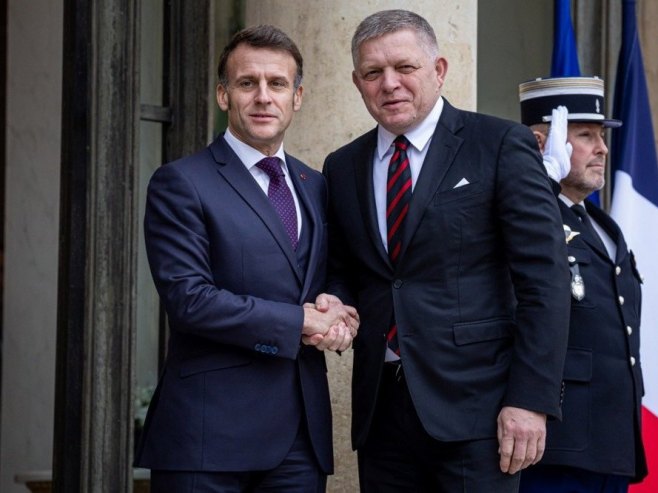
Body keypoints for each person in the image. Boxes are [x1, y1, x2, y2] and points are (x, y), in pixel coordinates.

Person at [322, 9, 571, 492]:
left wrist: (530, 400)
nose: (389, 84)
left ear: (438, 70)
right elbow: (345, 271)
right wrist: (336, 302)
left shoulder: (499, 144)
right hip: (382, 415)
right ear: (357, 83)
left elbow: (545, 280)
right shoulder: (342, 166)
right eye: (373, 73)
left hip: (480, 414)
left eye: (405, 67)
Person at [135, 24, 359, 493]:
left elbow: (328, 273)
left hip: (300, 439)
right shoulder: (181, 182)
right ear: (224, 95)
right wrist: (300, 321)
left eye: (277, 83)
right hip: (208, 438)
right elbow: (189, 300)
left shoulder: (314, 184)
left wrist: (336, 307)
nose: (263, 97)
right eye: (246, 83)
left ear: (297, 97)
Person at [518, 76, 647, 492]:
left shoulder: (602, 226)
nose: (602, 149)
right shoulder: (525, 216)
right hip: (557, 443)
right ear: (543, 143)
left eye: (601, 136)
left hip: (613, 442)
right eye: (586, 136)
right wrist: (540, 182)